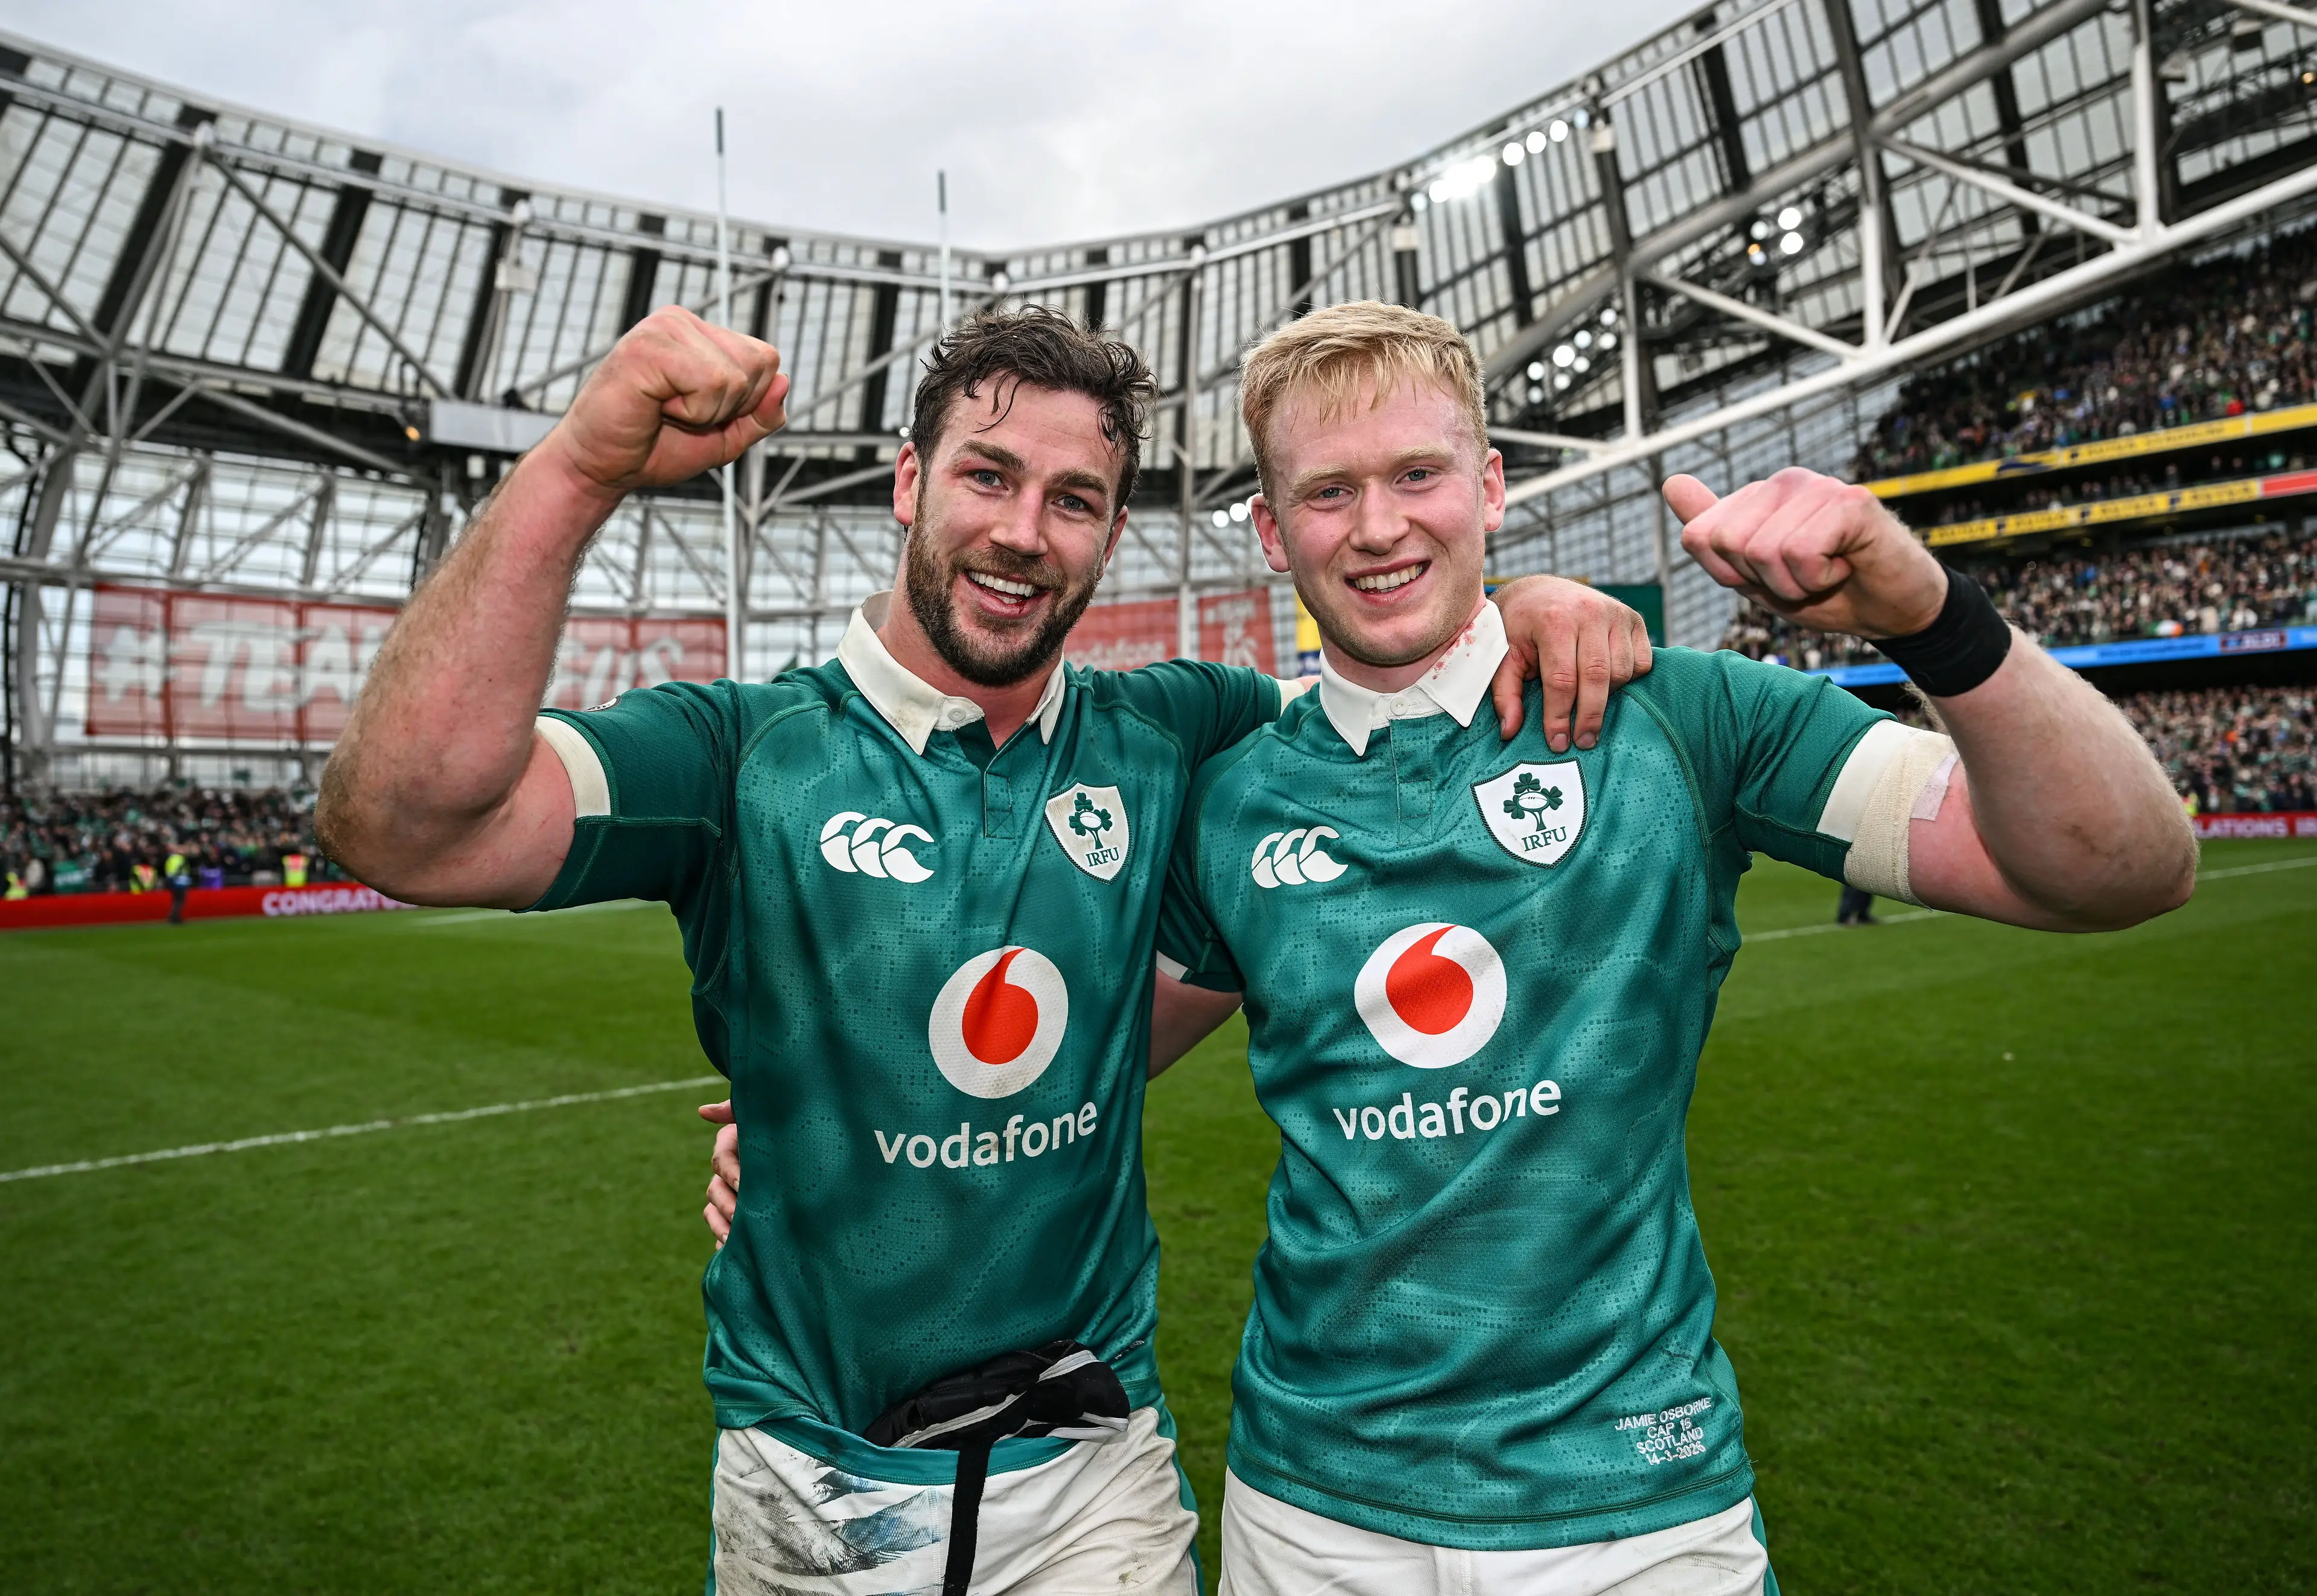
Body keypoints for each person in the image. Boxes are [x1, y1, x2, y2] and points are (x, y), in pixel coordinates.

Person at [707, 301, 2196, 1594]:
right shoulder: (1238, 792)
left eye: (1419, 473)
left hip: (1640, 1508)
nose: (1377, 526)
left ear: (1490, 483)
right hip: (1312, 1515)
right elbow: (1091, 1040)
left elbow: (2118, 867)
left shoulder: (1685, 715)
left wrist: (1933, 615)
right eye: (1328, 491)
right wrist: (829, 1133)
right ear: (1272, 528)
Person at [317, 299, 1648, 1596]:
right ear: (908, 482)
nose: (1023, 532)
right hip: (815, 1488)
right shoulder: (740, 752)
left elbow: (1392, 668)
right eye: (989, 475)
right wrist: (578, 465)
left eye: (1073, 500)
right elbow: (406, 826)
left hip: (1092, 1475)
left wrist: (1528, 596)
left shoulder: (1180, 730)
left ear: (1112, 535)